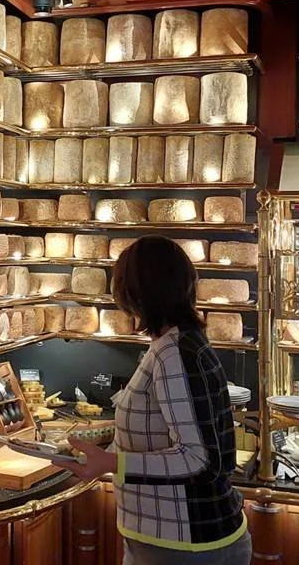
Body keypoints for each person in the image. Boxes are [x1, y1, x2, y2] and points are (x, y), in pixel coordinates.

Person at [57, 236, 250, 565]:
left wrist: (113, 464)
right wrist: (103, 456)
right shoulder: (176, 344)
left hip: (185, 544)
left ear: (135, 292)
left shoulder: (174, 353)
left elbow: (199, 459)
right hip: (176, 539)